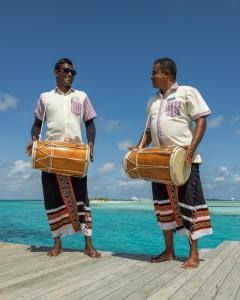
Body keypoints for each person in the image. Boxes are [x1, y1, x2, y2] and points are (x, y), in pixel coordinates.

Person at [134, 58, 212, 268]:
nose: (150, 76)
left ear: (166, 74)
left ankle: (193, 253)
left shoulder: (187, 92)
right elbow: (148, 132)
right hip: (159, 161)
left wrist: (191, 149)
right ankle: (169, 251)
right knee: (164, 207)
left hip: (184, 160)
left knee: (189, 205)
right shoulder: (152, 101)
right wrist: (140, 147)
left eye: (154, 72)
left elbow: (201, 120)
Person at [26, 58, 101, 258]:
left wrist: (91, 144)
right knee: (52, 198)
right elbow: (36, 124)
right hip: (50, 152)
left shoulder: (82, 96)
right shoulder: (45, 97)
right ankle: (57, 243)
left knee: (82, 199)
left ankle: (88, 244)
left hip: (75, 153)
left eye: (72, 72)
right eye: (65, 71)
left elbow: (90, 124)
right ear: (56, 72)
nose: (69, 74)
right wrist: (35, 141)